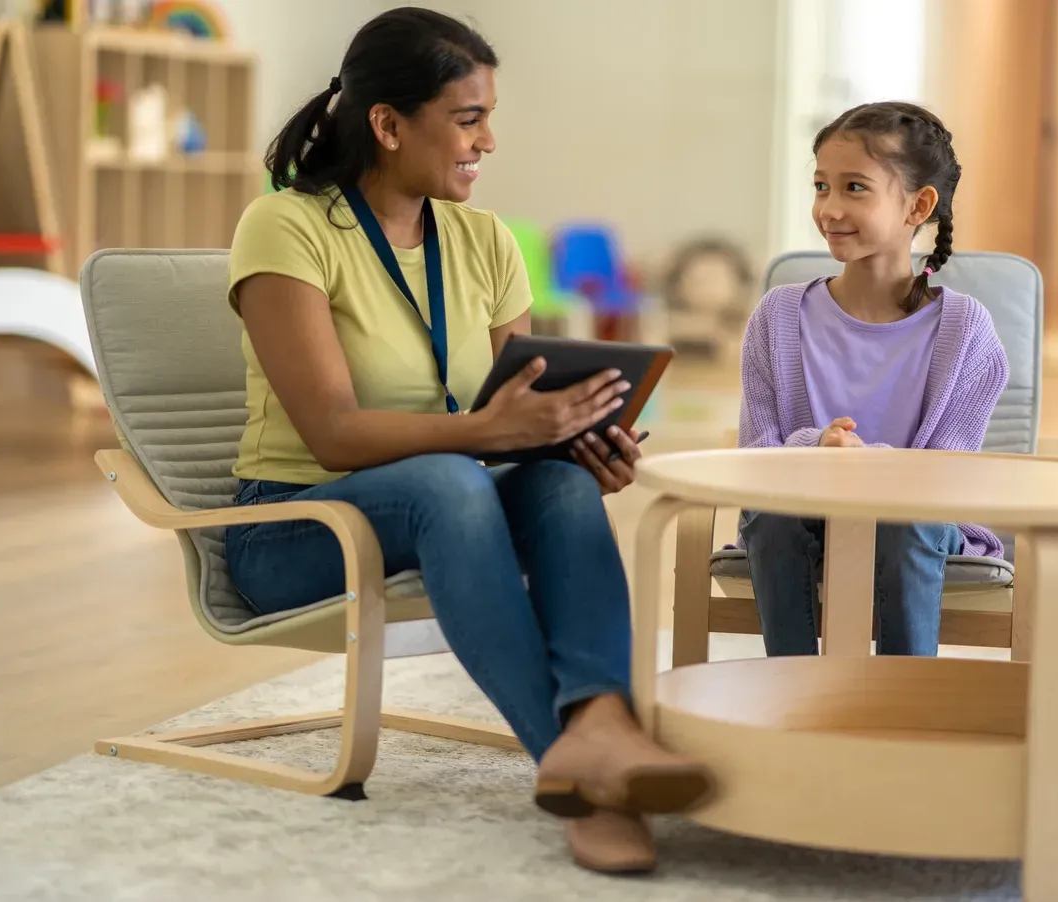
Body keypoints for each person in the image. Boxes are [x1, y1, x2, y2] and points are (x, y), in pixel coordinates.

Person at [222, 6, 713, 875]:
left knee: (555, 486)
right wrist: (487, 433)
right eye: (467, 117)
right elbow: (332, 435)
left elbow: (509, 412)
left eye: (489, 118)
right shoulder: (287, 227)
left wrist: (570, 441)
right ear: (387, 124)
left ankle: (598, 726)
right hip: (293, 527)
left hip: (440, 497)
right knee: (451, 477)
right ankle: (576, 762)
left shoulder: (484, 242)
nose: (487, 142)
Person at [736, 101, 1009, 658]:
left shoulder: (967, 333)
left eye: (854, 187)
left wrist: (860, 461)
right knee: (771, 516)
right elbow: (755, 458)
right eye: (820, 186)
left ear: (919, 205)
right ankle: (795, 697)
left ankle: (903, 709)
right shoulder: (777, 317)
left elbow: (946, 478)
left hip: (918, 521)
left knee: (907, 520)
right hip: (798, 508)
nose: (829, 208)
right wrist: (817, 447)